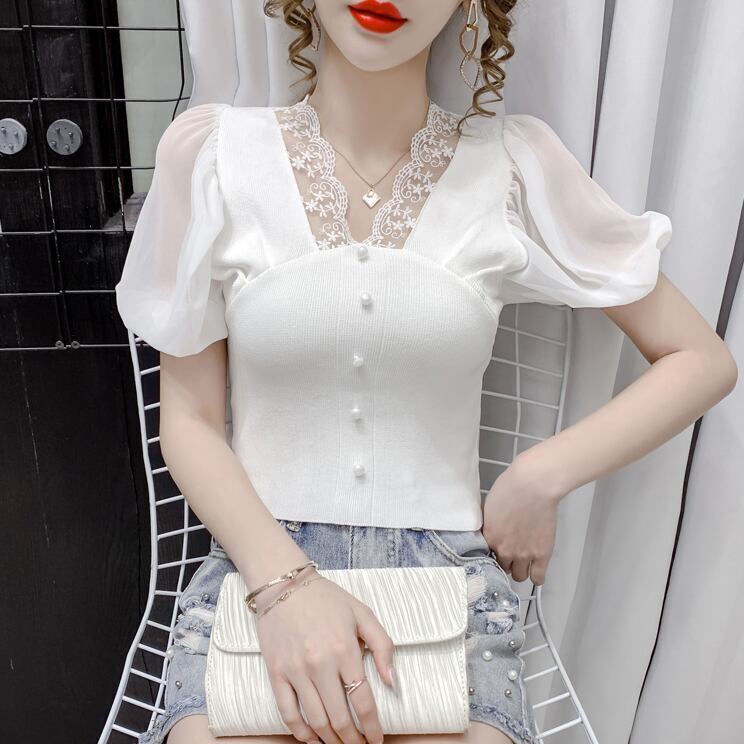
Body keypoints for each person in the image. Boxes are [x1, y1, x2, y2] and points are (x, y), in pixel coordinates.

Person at [114, 1, 738, 743]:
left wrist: (541, 474)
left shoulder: (511, 169)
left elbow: (701, 358)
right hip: (258, 575)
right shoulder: (216, 157)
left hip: (449, 587)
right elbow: (187, 421)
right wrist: (286, 587)